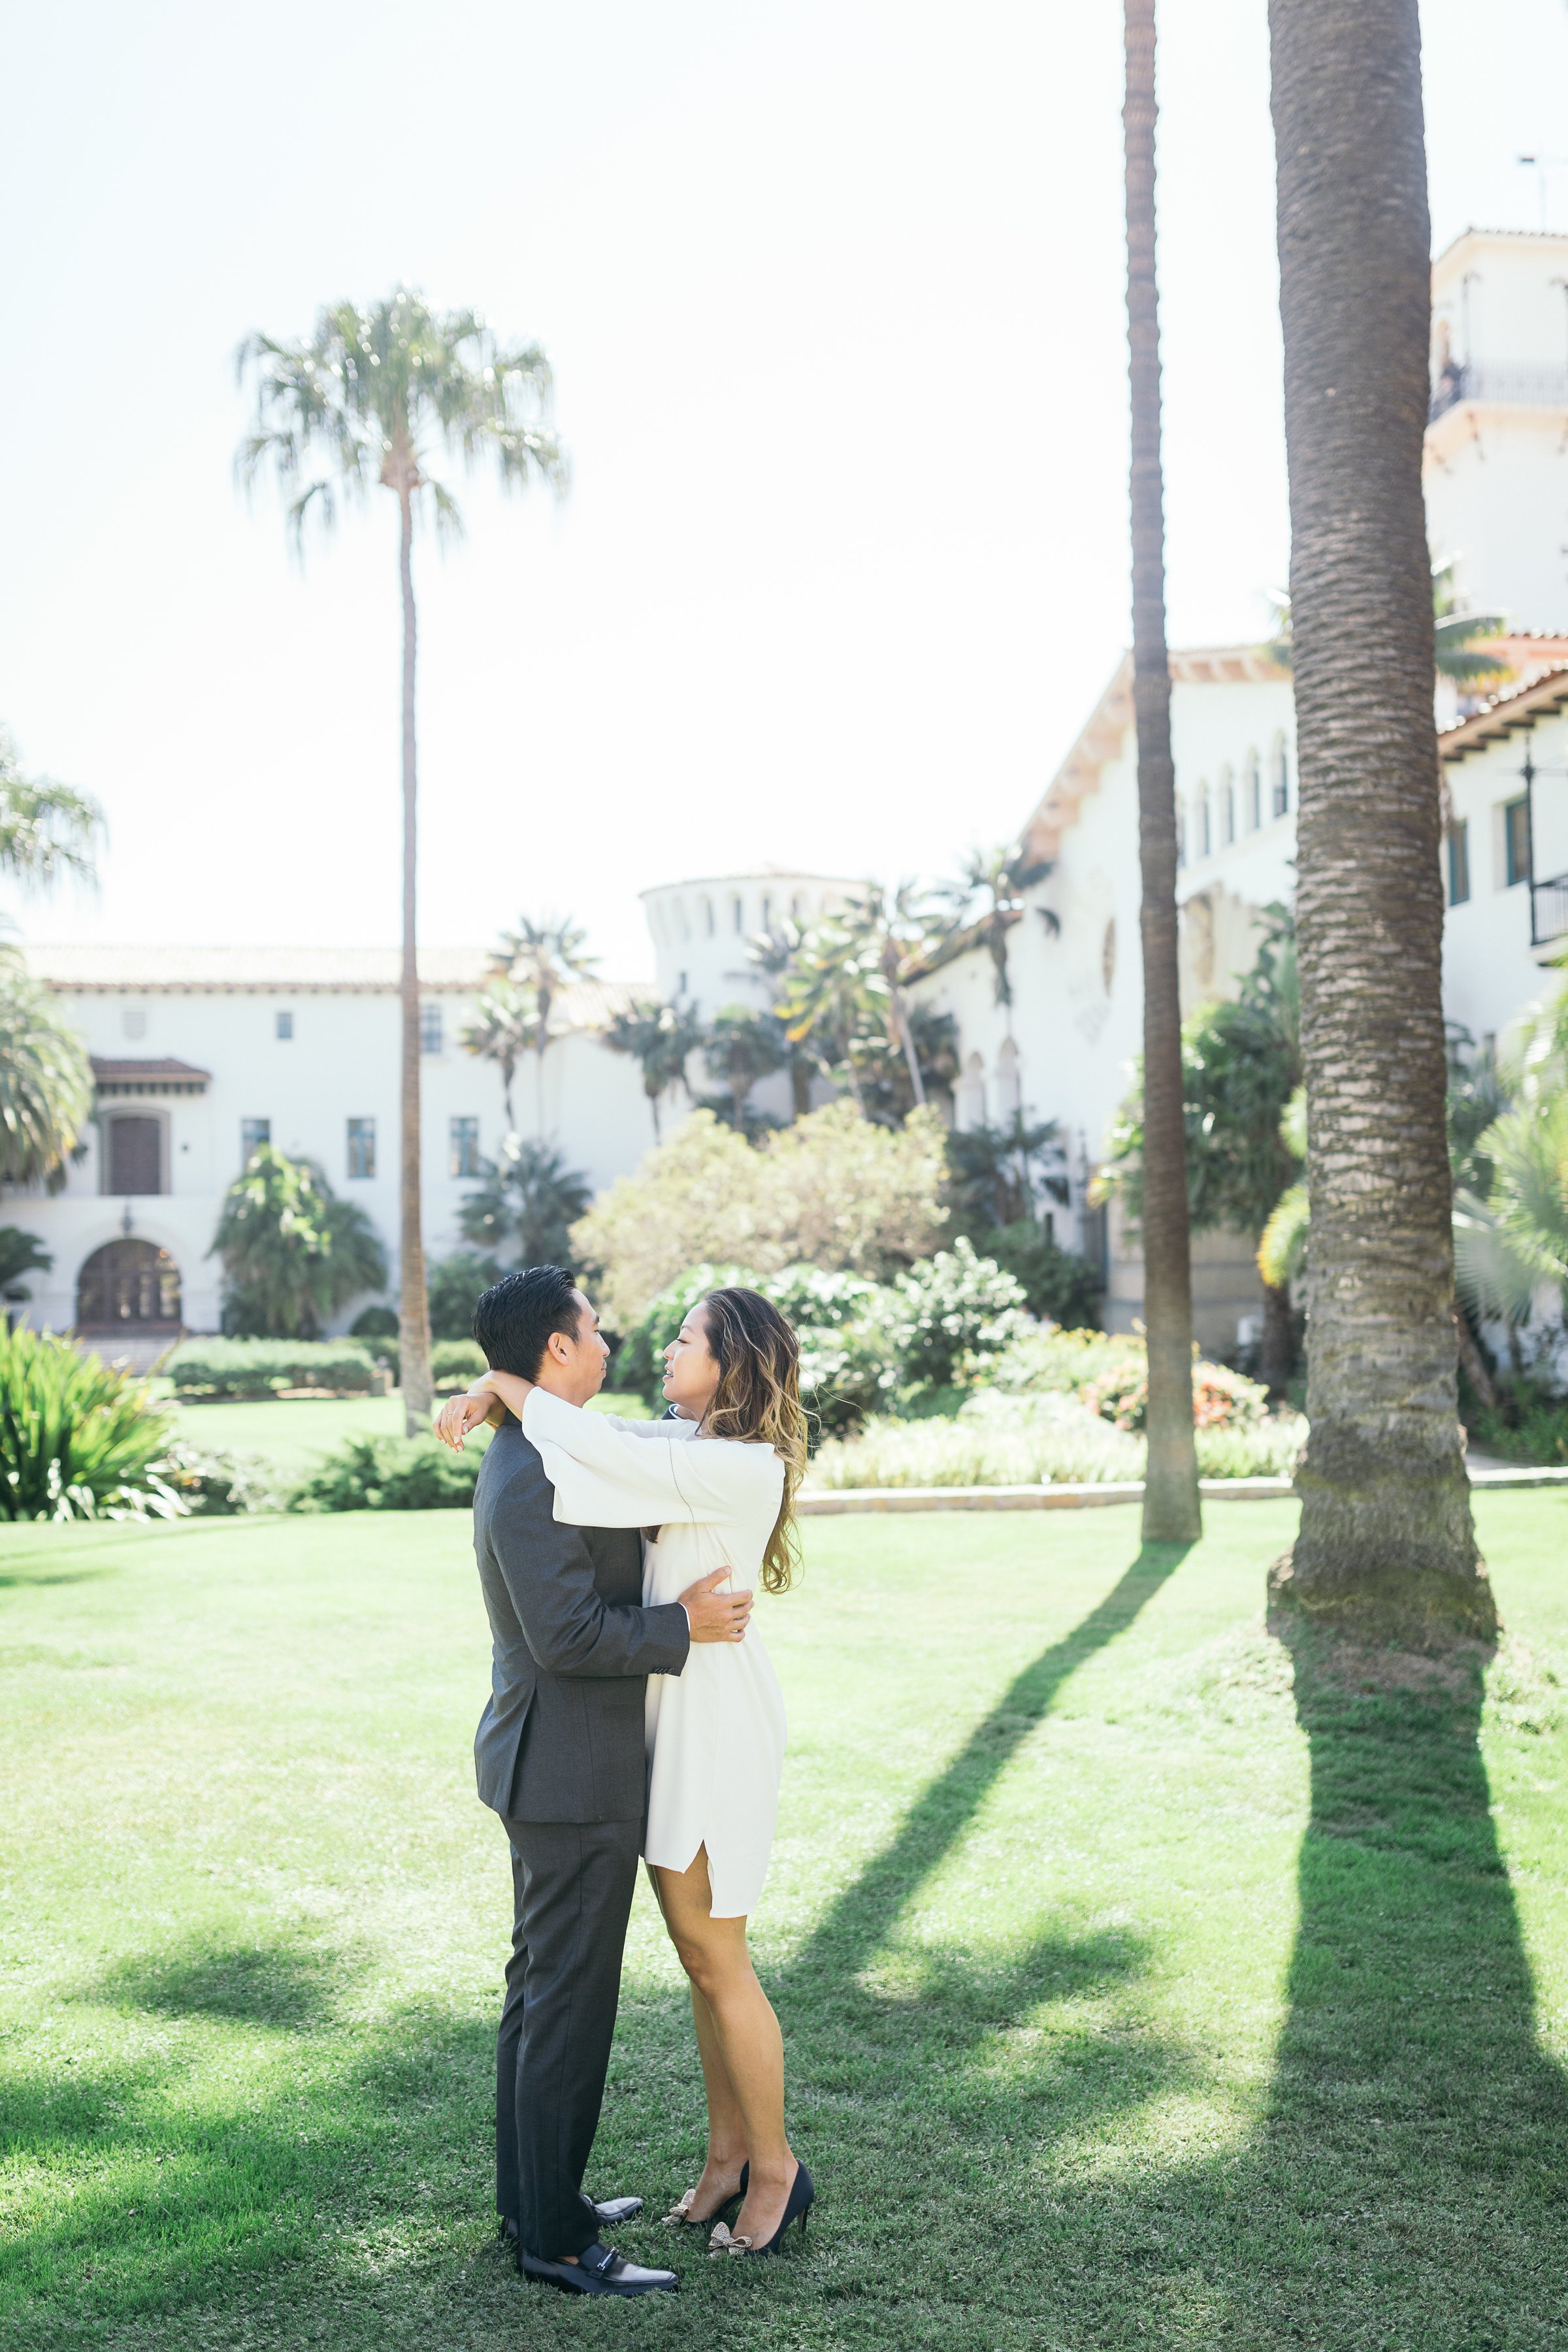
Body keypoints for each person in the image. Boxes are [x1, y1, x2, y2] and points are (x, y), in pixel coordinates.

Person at [438, 1281, 815, 2258]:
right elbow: (611, 1446)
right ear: (560, 1347)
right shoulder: (684, 1448)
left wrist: (503, 1388)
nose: (646, 1345)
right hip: (654, 1717)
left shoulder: (737, 1465)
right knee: (692, 1960)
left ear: (730, 1363)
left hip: (714, 1721)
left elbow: (601, 1449)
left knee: (713, 1955)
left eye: (685, 1337)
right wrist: (499, 1387)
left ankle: (774, 2167)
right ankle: (725, 2157)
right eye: (597, 1330)